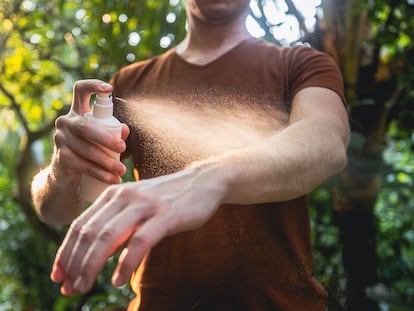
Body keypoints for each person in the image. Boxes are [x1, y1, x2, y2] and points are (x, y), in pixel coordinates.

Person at [31, 0, 350, 310]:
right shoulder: (130, 83)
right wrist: (61, 170)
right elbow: (55, 212)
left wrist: (211, 178)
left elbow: (326, 139)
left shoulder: (301, 65)